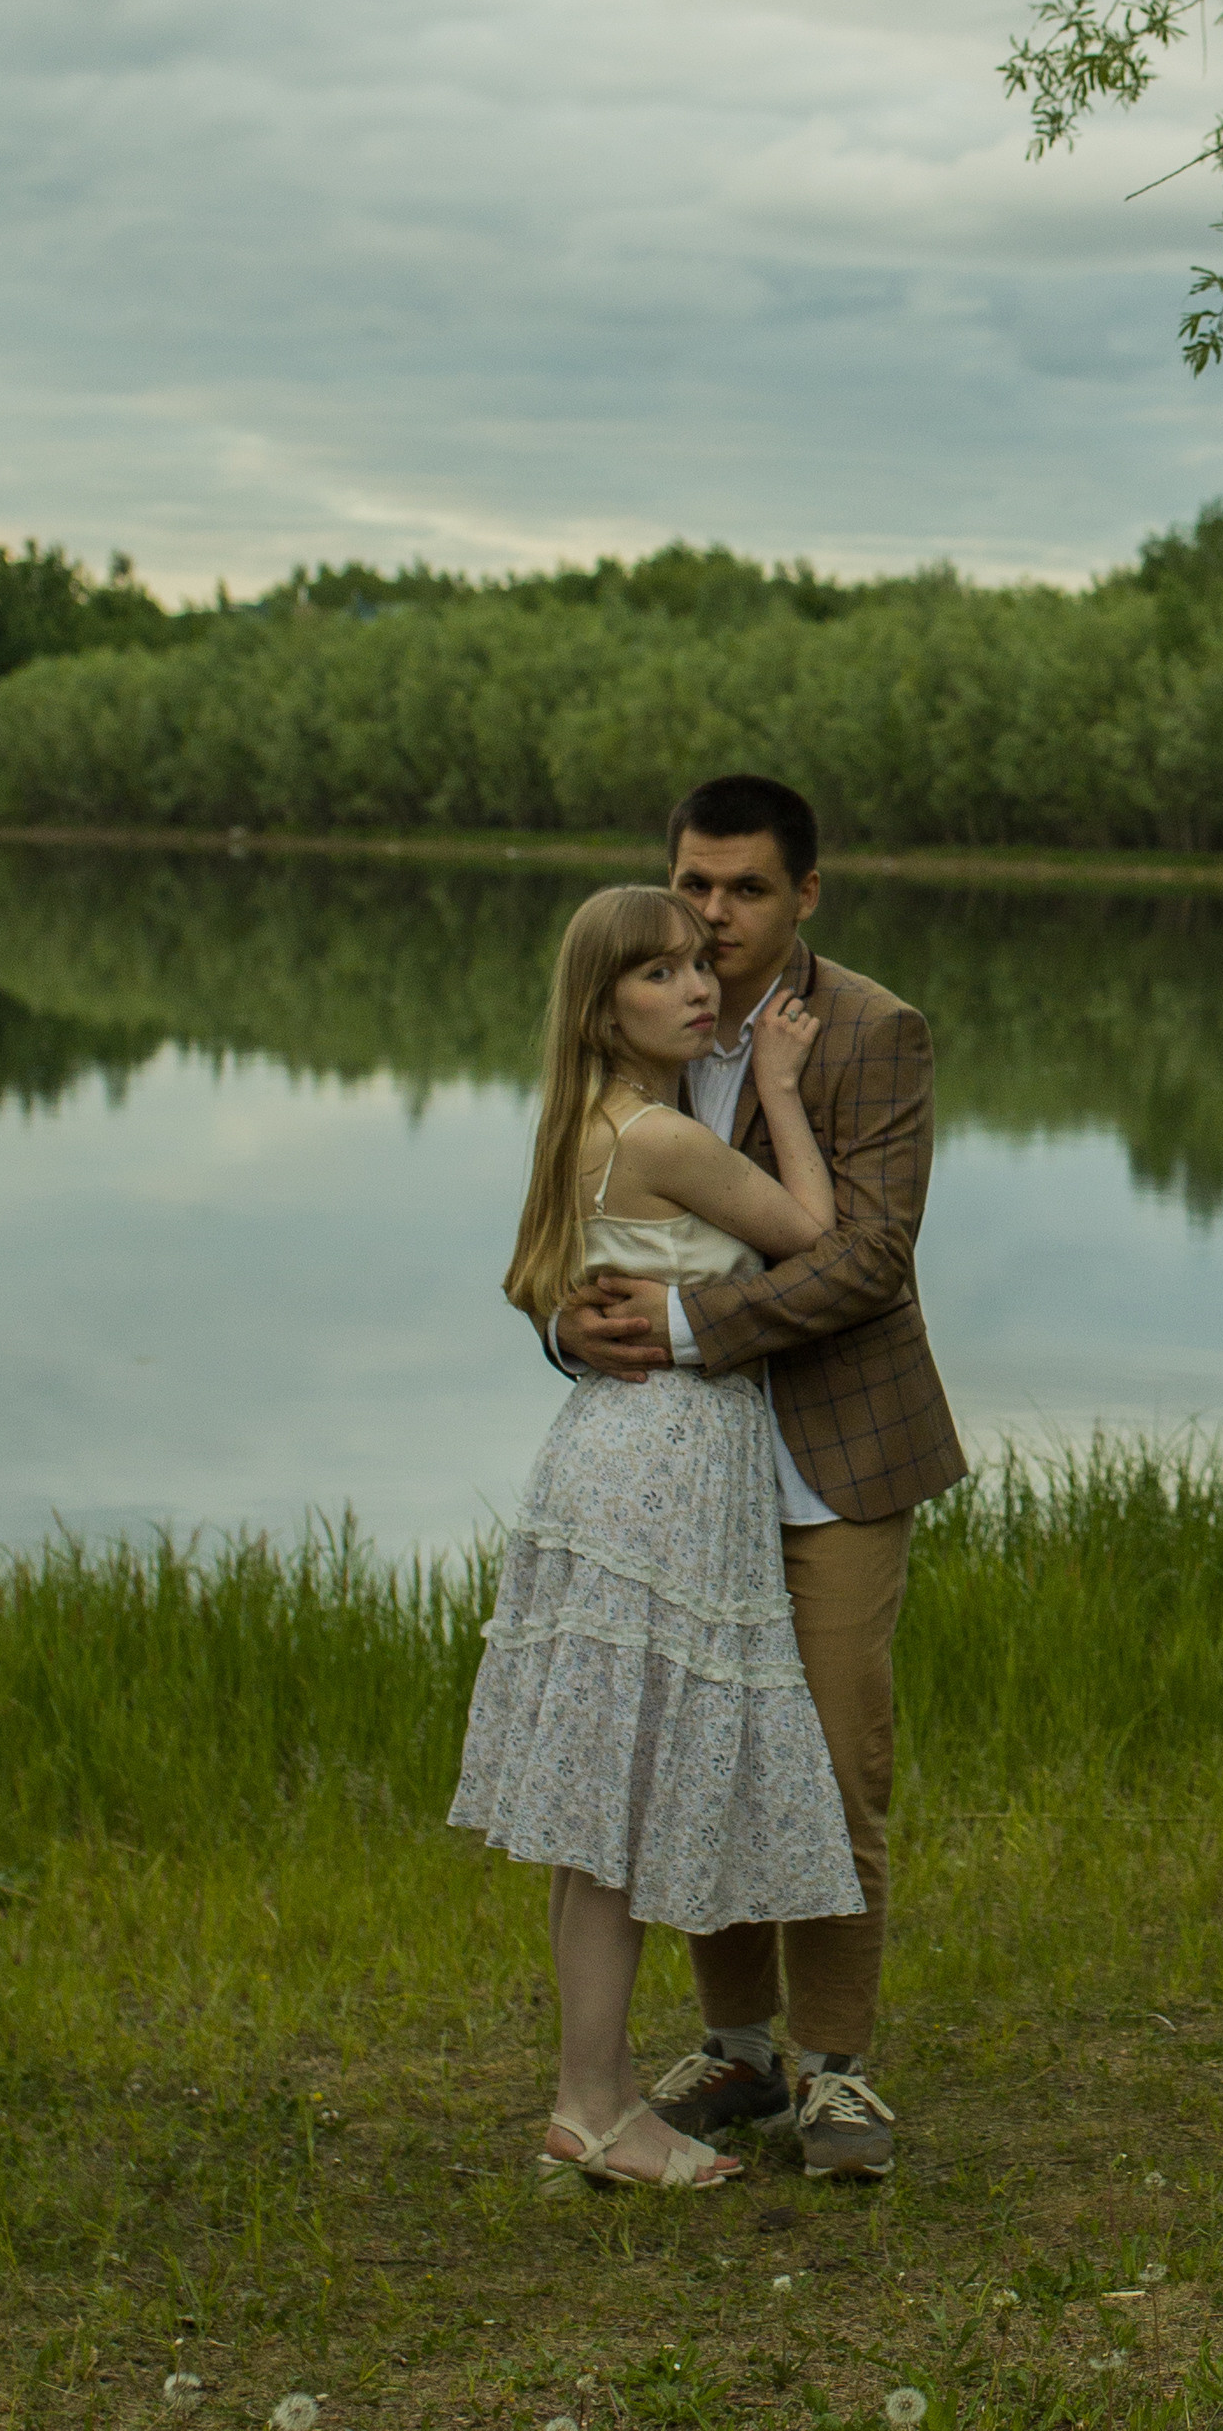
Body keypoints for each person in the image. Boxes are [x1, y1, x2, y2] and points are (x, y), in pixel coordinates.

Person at [553, 773, 965, 2179]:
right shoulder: (645, 1007)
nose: (712, 915)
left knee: (837, 1758)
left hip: (837, 1457)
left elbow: (862, 1258)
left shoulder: (871, 1029)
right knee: (707, 1761)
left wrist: (677, 1331)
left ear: (804, 895)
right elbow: (591, 1209)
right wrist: (570, 1322)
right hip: (688, 1478)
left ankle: (836, 2074)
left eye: (741, 890)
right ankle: (736, 2054)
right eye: (693, 883)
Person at [449, 881, 867, 2191]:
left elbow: (550, 1284)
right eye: (659, 975)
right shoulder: (662, 1139)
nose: (696, 988)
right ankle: (595, 2104)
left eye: (699, 966)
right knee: (619, 1807)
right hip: (667, 1470)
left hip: (603, 1457)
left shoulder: (580, 1118)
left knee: (599, 1810)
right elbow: (814, 1236)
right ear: (601, 1003)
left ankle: (596, 2097)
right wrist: (786, 1095)